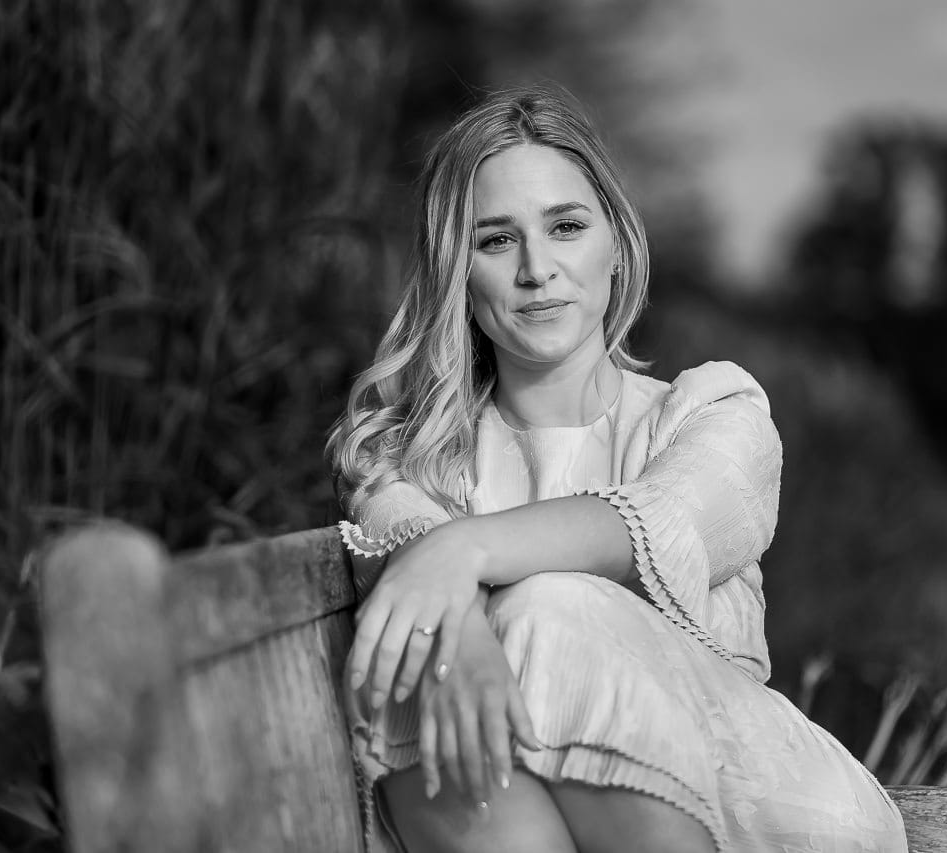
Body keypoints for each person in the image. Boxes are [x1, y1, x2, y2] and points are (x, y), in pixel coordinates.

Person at [326, 86, 907, 853]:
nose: (538, 269)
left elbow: (654, 524)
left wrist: (462, 555)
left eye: (565, 227)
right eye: (495, 241)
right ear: (456, 272)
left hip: (763, 812)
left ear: (616, 247)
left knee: (547, 609)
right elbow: (398, 535)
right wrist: (457, 619)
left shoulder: (714, 415)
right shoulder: (414, 458)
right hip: (515, 802)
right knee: (423, 683)